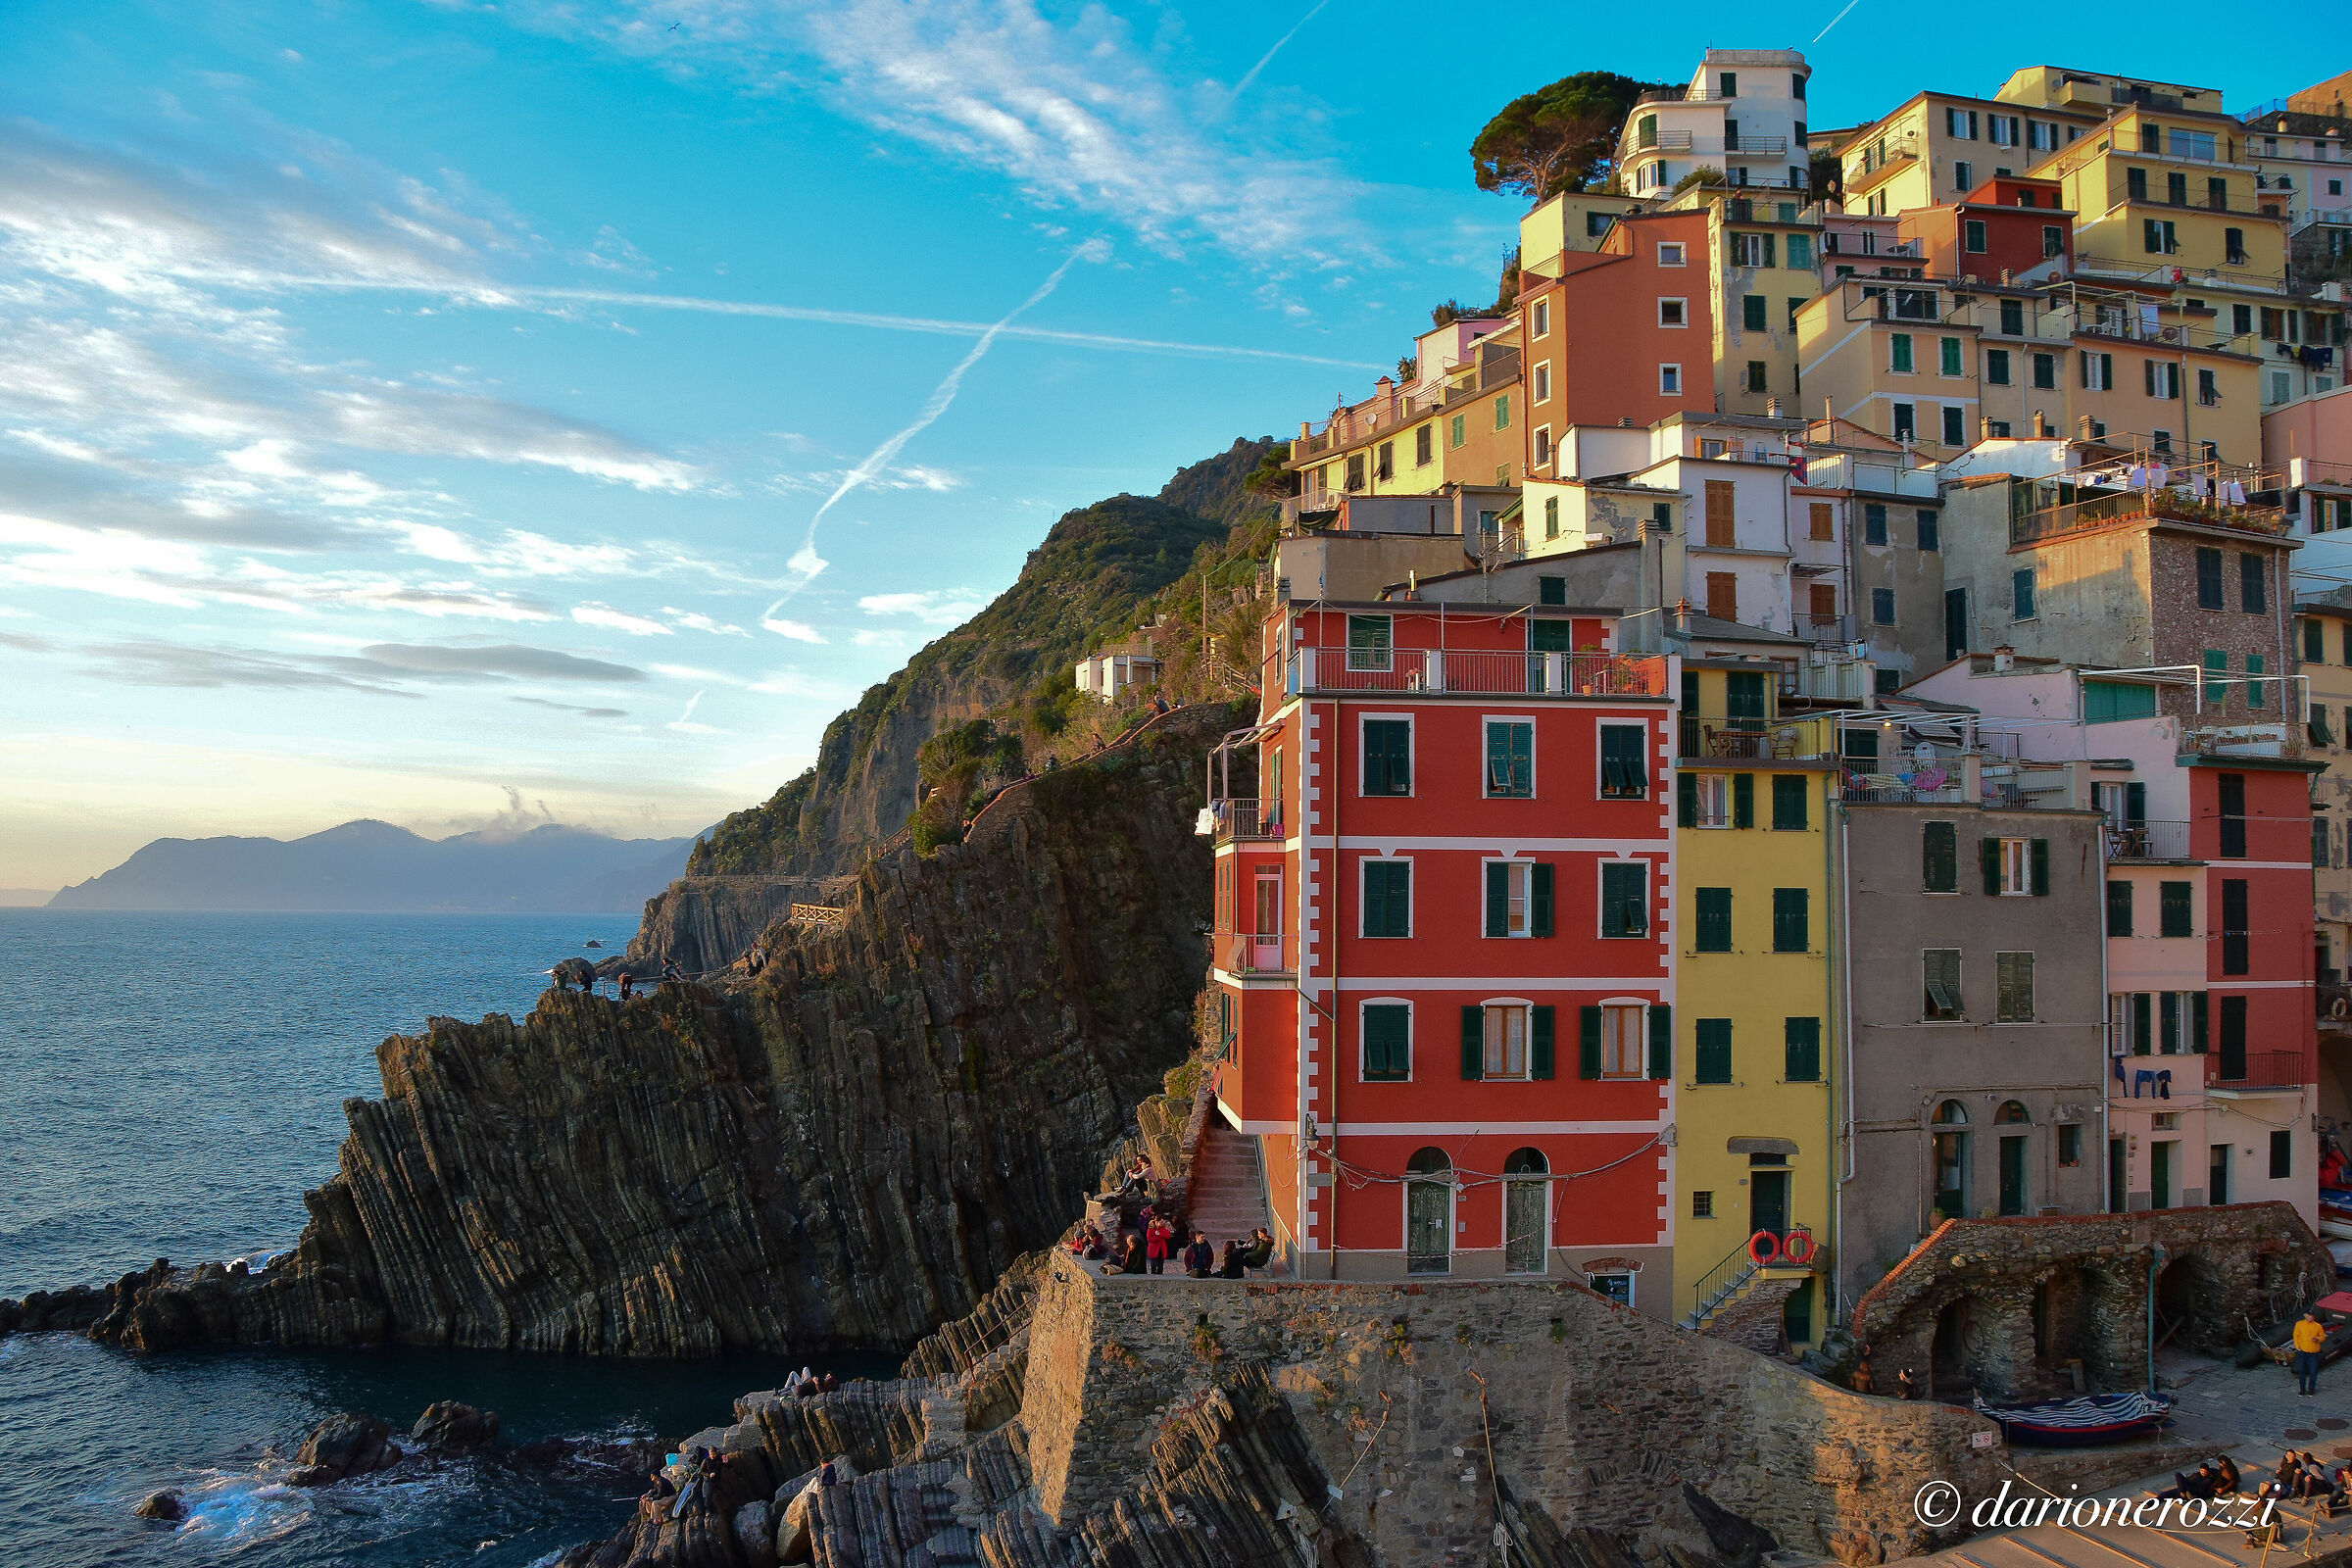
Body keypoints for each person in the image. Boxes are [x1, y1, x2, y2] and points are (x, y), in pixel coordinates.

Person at [2294, 1312, 2327, 1396]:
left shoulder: (2318, 1326)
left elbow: (2323, 1337)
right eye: (2309, 1315)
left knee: (2313, 1371)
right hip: (2303, 1351)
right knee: (2302, 1371)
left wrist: (2317, 1339)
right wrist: (2297, 1347)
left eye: (2312, 1316)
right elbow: (2296, 1336)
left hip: (2314, 1352)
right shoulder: (2299, 1324)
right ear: (2305, 1316)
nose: (2311, 1317)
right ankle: (2302, 1390)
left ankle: (2311, 1390)